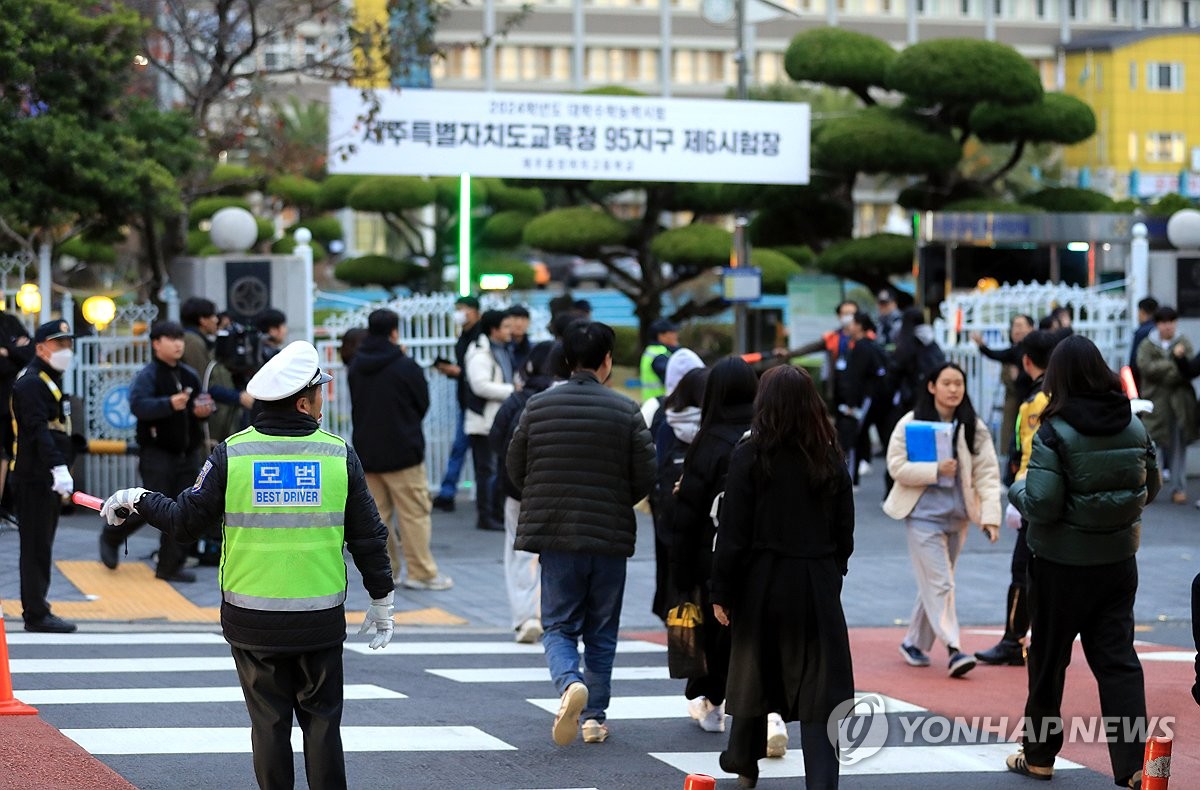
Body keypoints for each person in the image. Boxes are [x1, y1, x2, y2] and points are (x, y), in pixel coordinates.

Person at [100, 340, 395, 790]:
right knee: (322, 723)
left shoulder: (232, 453)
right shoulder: (338, 454)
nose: (322, 402)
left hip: (252, 621)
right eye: (319, 394)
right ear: (303, 402)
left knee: (269, 724)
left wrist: (136, 498)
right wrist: (382, 599)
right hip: (317, 619)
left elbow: (183, 521)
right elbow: (369, 536)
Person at [1005, 335, 1158, 788]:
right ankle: (1134, 766)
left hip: (1059, 566)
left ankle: (1039, 756)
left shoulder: (1054, 429)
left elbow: (1043, 504)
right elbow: (1152, 488)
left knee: (1049, 661)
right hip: (1117, 562)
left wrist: (1016, 490)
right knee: (1119, 662)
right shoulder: (1133, 425)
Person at [507, 321, 656, 746]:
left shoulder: (537, 407)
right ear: (607, 361)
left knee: (557, 625)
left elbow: (515, 468)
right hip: (608, 536)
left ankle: (569, 681)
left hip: (555, 534)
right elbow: (646, 475)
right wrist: (616, 500)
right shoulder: (626, 410)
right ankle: (594, 717)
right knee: (602, 630)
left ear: (567, 360)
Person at [711, 365, 854, 790]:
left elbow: (732, 531)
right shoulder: (828, 454)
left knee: (755, 670)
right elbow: (844, 528)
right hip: (816, 578)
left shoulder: (750, 455)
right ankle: (822, 780)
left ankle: (743, 762)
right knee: (819, 686)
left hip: (762, 579)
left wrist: (722, 589)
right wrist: (833, 572)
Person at [884, 362, 1001, 678]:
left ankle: (913, 643)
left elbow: (988, 474)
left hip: (958, 519)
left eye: (958, 384)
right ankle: (953, 649)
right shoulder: (912, 423)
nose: (953, 389)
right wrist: (935, 470)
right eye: (947, 383)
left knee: (934, 583)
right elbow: (896, 466)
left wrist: (990, 517)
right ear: (932, 386)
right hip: (922, 517)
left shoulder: (973, 426)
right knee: (941, 582)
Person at [671, 358, 757, 739]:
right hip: (763, 551)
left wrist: (680, 566)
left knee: (718, 629)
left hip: (714, 550)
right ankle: (767, 714)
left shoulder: (710, 440)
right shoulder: (764, 435)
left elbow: (689, 510)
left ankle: (715, 702)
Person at [100, 321, 214, 582]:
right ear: (156, 344)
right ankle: (112, 534)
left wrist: (202, 411)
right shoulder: (148, 375)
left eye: (180, 339)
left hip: (188, 454)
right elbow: (139, 407)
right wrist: (168, 404)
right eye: (171, 339)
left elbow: (203, 404)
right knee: (150, 506)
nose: (177, 344)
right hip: (157, 453)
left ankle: (169, 566)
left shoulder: (188, 374)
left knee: (185, 510)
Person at [348, 309, 452, 591]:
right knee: (414, 514)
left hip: (367, 452)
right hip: (404, 451)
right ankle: (421, 573)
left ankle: (387, 572)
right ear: (394, 332)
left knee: (377, 517)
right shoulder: (405, 365)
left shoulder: (357, 364)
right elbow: (422, 403)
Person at [975, 329, 1058, 666]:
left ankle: (1013, 641)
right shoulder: (1062, 394)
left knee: (1022, 570)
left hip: (1035, 498)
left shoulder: (1036, 401)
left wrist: (1017, 497)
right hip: (1060, 500)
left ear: (1026, 361)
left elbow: (1030, 455)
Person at [489, 341, 558, 643]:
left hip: (518, 492)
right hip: (556, 492)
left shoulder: (516, 400)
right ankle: (553, 615)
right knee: (556, 556)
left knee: (520, 555)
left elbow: (496, 440)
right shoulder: (559, 400)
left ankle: (527, 617)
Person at [12, 320, 78, 633]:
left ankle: (39, 607)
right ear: (41, 348)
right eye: (59, 343)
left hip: (45, 475)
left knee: (43, 544)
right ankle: (36, 613)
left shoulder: (48, 378)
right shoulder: (31, 383)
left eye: (68, 343)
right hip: (35, 476)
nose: (66, 350)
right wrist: (57, 466)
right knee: (36, 546)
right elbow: (38, 429)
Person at [649, 351, 706, 621]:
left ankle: (672, 611)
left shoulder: (661, 413)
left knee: (669, 563)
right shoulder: (714, 417)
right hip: (706, 511)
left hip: (667, 508)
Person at [1136, 305, 1194, 504]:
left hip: (1179, 403)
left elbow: (1186, 370)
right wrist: (1172, 361)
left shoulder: (1183, 341)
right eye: (1163, 322)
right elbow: (1145, 367)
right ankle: (1149, 488)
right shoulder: (1147, 344)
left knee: (1179, 445)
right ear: (1157, 324)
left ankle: (1179, 488)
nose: (1168, 326)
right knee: (1152, 446)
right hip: (1155, 402)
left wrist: (1165, 369)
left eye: (1171, 322)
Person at [465, 309, 514, 531]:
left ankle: (495, 514)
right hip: (484, 422)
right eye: (505, 326)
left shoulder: (501, 350)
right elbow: (480, 386)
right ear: (494, 330)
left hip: (496, 421)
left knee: (498, 471)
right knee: (486, 472)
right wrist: (512, 390)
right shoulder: (480, 353)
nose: (510, 331)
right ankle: (485, 516)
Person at [181, 297, 253, 448]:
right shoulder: (193, 342)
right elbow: (204, 382)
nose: (216, 320)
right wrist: (237, 397)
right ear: (202, 320)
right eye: (213, 316)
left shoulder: (200, 341)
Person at [433, 295, 482, 512]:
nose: (460, 313)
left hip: (478, 402)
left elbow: (477, 370)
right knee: (461, 449)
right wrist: (453, 371)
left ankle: (448, 493)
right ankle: (448, 492)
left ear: (474, 311)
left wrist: (458, 372)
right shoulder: (464, 335)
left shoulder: (481, 335)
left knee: (473, 451)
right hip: (466, 399)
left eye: (463, 309)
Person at [834, 313, 888, 486]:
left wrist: (851, 403)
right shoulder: (864, 345)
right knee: (860, 436)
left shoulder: (862, 347)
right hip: (869, 400)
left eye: (853, 323)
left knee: (854, 438)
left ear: (859, 326)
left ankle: (851, 478)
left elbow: (855, 378)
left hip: (864, 400)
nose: (848, 326)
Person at [970, 313, 1035, 457]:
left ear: (1031, 328)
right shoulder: (1015, 349)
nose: (1015, 330)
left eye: (1020, 326)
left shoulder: (1036, 348)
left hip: (1034, 399)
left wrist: (1020, 376)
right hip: (1018, 400)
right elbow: (997, 355)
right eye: (1014, 326)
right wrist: (982, 346)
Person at [640, 318, 681, 400]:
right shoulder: (660, 356)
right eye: (672, 332)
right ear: (661, 336)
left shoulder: (651, 350)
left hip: (652, 403)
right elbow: (674, 382)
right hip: (660, 405)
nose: (676, 335)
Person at [1129, 296, 1159, 389]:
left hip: (1143, 381)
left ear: (1142, 311)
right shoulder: (1159, 329)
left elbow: (1134, 361)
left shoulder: (1142, 332)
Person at [506, 305, 532, 372]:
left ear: (529, 322)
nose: (519, 324)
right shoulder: (502, 347)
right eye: (515, 319)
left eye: (523, 319)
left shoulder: (533, 349)